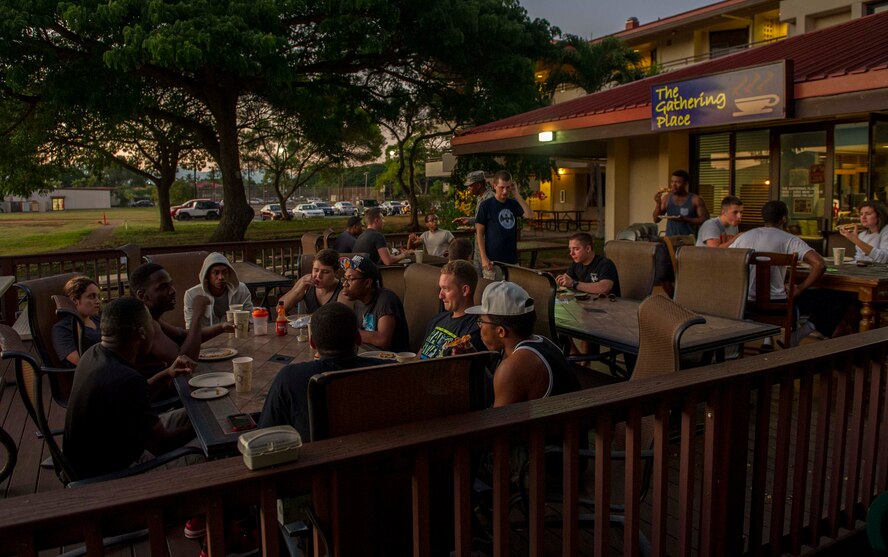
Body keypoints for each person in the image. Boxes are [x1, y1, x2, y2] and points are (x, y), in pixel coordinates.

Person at [63, 297, 198, 480]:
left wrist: (167, 373)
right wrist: (209, 429)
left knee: (194, 412)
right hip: (113, 476)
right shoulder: (124, 379)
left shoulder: (94, 353)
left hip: (99, 458)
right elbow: (161, 444)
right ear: (142, 332)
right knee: (210, 449)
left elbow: (132, 399)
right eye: (152, 325)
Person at [258, 302, 385, 439]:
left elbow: (265, 436)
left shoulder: (290, 378)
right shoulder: (389, 370)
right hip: (381, 456)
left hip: (318, 459)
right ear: (358, 339)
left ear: (312, 343)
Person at [731, 200, 851, 345]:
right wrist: (801, 287)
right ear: (784, 219)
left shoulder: (744, 237)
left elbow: (727, 262)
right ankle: (797, 336)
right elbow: (820, 264)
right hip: (779, 304)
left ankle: (767, 340)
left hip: (746, 303)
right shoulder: (789, 240)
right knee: (838, 297)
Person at [465, 281, 579, 407]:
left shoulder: (513, 367)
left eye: (481, 321)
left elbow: (499, 423)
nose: (480, 327)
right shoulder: (541, 342)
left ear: (501, 331)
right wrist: (473, 360)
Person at [130, 262, 231, 365]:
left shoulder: (151, 317)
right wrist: (197, 315)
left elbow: (182, 336)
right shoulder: (146, 324)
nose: (172, 291)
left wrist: (222, 327)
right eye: (163, 287)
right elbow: (185, 362)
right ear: (142, 295)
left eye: (171, 284)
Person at [341, 255, 410, 352]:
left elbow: (383, 340)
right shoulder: (358, 302)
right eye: (344, 279)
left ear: (367, 283)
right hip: (368, 353)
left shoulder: (386, 300)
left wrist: (347, 332)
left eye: (351, 279)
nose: (345, 284)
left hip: (391, 361)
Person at [419, 260, 483, 359]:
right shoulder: (437, 320)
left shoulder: (474, 330)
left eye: (446, 289)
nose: (440, 296)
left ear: (465, 290)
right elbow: (420, 355)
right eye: (440, 288)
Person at [475, 171, 534, 275]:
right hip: (493, 262)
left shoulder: (513, 204)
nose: (505, 191)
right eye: (501, 187)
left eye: (508, 187)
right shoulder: (486, 205)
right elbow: (479, 233)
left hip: (512, 261)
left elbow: (530, 215)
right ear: (494, 186)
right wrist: (484, 257)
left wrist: (516, 193)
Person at [183, 252, 253, 328]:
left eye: (224, 272)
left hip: (235, 336)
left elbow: (250, 318)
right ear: (207, 275)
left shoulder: (241, 290)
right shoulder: (192, 295)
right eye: (216, 273)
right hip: (206, 338)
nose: (221, 277)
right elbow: (190, 327)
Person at [52, 275, 102, 367]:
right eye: (92, 296)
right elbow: (80, 363)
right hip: (92, 374)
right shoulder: (63, 328)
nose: (98, 301)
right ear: (75, 300)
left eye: (98, 296)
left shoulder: (97, 319)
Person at [278, 249, 346, 314]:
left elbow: (341, 320)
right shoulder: (306, 281)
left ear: (336, 273)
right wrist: (298, 290)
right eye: (316, 270)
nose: (318, 276)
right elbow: (279, 309)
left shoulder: (343, 290)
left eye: (325, 272)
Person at [554, 232, 620, 296]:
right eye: (570, 249)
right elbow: (566, 279)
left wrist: (573, 284)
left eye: (576, 249)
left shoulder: (605, 264)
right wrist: (556, 281)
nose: (571, 253)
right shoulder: (576, 263)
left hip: (608, 304)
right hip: (586, 303)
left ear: (588, 248)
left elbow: (604, 288)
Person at [453, 170, 494, 270]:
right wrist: (469, 220)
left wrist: (475, 228)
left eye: (471, 185)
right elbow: (481, 219)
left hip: (488, 246)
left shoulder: (490, 198)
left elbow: (492, 223)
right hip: (479, 246)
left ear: (479, 185)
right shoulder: (480, 197)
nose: (469, 188)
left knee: (487, 276)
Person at [652, 169, 710, 236]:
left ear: (686, 183)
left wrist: (686, 219)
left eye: (678, 182)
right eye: (672, 182)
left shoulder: (696, 199)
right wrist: (658, 204)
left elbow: (704, 219)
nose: (673, 185)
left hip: (689, 240)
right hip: (669, 240)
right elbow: (656, 220)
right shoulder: (666, 198)